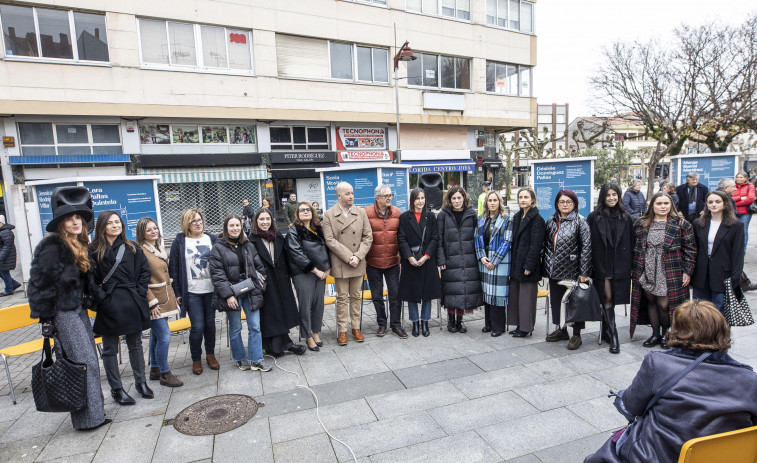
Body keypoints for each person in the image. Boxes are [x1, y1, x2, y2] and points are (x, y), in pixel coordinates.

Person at [584, 300, 757, 463]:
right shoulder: (749, 379)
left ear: (677, 331)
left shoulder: (658, 364)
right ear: (722, 331)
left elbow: (631, 407)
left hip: (660, 456)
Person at [28, 186, 109, 430]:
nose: (75, 222)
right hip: (62, 313)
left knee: (87, 361)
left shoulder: (76, 244)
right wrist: (46, 319)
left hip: (77, 310)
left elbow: (85, 283)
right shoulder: (52, 246)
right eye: (69, 219)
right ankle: (88, 419)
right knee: (84, 363)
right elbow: (39, 285)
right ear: (61, 222)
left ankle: (93, 415)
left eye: (79, 218)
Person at [90, 210, 152, 405]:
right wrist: (102, 298)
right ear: (102, 226)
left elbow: (144, 271)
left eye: (118, 222)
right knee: (109, 349)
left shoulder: (132, 247)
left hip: (131, 300)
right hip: (108, 304)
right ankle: (116, 389)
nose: (115, 225)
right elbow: (89, 280)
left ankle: (141, 382)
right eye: (110, 223)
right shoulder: (93, 250)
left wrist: (140, 292)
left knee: (135, 344)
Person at [630, 192, 696, 349]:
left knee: (665, 304)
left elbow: (691, 250)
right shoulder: (642, 223)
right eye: (659, 204)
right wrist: (634, 270)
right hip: (647, 269)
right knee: (651, 302)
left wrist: (687, 271)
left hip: (669, 270)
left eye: (666, 203)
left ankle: (667, 334)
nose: (662, 207)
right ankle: (655, 334)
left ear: (671, 205)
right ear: (652, 205)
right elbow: (636, 247)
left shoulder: (681, 224)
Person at [209, 214, 270, 372]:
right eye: (232, 226)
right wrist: (228, 295)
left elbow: (259, 267)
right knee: (235, 328)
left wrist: (261, 284)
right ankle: (239, 358)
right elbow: (217, 275)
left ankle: (256, 359)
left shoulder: (248, 245)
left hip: (250, 292)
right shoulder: (218, 248)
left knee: (255, 327)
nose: (235, 228)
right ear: (226, 228)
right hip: (232, 294)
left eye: (237, 225)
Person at [248, 208, 306, 357]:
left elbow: (287, 258)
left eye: (268, 219)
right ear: (256, 221)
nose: (265, 222)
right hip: (264, 282)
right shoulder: (251, 240)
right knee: (270, 313)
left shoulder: (278, 236)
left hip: (281, 280)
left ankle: (281, 344)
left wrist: (293, 276)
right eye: (262, 219)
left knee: (282, 311)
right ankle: (281, 344)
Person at [322, 182, 373, 346]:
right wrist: (349, 256)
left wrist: (357, 256)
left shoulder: (361, 212)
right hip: (341, 262)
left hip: (357, 262)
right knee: (342, 298)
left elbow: (368, 237)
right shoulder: (329, 215)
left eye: (352, 193)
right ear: (339, 196)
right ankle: (342, 330)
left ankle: (356, 328)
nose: (351, 196)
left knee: (356, 297)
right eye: (347, 194)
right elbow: (330, 240)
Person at [169, 208, 218, 375]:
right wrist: (177, 292)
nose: (198, 223)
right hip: (191, 292)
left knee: (210, 324)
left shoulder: (211, 238)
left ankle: (210, 355)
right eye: (194, 221)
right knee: (197, 326)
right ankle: (196, 358)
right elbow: (173, 269)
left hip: (210, 290)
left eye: (200, 220)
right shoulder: (180, 241)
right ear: (186, 224)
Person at [587, 184, 635, 354]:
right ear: (602, 197)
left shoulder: (626, 217)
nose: (611, 198)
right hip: (602, 264)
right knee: (606, 298)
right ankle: (614, 336)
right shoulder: (594, 217)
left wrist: (632, 267)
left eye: (614, 194)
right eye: (608, 195)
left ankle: (607, 329)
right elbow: (589, 244)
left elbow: (632, 243)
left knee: (614, 298)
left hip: (621, 264)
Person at [136, 218, 183, 388]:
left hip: (164, 298)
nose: (153, 232)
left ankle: (155, 368)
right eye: (149, 230)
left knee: (157, 335)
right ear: (142, 233)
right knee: (164, 335)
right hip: (154, 301)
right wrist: (152, 303)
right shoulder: (140, 251)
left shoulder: (157, 247)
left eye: (155, 228)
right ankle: (165, 373)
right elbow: (139, 280)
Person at [543, 190, 592, 350]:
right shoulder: (551, 221)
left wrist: (584, 272)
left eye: (568, 202)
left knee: (575, 302)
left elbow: (586, 248)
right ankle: (562, 330)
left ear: (574, 204)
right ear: (557, 203)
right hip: (554, 269)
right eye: (562, 202)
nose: (565, 204)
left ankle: (576, 335)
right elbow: (547, 245)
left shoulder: (580, 221)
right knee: (557, 302)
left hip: (573, 270)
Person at [437, 186, 483, 333]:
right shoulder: (443, 215)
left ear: (464, 198)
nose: (457, 201)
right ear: (449, 200)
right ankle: (451, 321)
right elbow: (439, 240)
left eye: (459, 198)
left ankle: (460, 321)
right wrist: (441, 260)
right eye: (454, 198)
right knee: (451, 290)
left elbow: (477, 237)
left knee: (464, 290)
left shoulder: (471, 214)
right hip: (450, 259)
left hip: (469, 258)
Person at [286, 202, 331, 351]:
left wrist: (328, 267)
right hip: (303, 273)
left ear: (312, 212)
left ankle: (315, 332)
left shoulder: (319, 228)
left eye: (308, 209)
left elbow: (327, 248)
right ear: (297, 214)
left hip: (322, 271)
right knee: (305, 305)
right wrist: (315, 270)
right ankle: (307, 336)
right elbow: (297, 254)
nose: (305, 212)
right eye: (301, 210)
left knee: (318, 304)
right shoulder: (294, 231)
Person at [398, 188, 442, 337]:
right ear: (412, 200)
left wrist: (426, 256)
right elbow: (401, 238)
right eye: (417, 198)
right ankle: (415, 322)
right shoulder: (404, 217)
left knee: (427, 293)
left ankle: (425, 322)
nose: (420, 201)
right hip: (410, 261)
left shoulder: (430, 216)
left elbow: (435, 238)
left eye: (422, 198)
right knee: (411, 293)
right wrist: (409, 257)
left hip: (427, 260)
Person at [365, 185, 407, 338]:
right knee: (377, 296)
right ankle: (382, 323)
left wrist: (404, 258)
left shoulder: (397, 213)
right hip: (373, 262)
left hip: (393, 262)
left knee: (395, 294)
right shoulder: (366, 213)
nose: (389, 198)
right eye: (386, 195)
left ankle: (396, 325)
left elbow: (402, 238)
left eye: (391, 195)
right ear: (377, 198)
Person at [691, 191, 743, 313]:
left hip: (723, 274)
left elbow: (738, 253)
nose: (714, 204)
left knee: (719, 309)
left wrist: (735, 277)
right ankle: (702, 332)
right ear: (707, 205)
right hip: (701, 274)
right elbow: (694, 249)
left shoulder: (736, 225)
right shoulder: (698, 223)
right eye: (710, 202)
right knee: (700, 310)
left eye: (717, 201)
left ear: (725, 204)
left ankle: (720, 332)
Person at [508, 188, 546, 338]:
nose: (523, 200)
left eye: (526, 197)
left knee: (527, 299)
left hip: (528, 266)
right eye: (520, 197)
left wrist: (529, 266)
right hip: (517, 264)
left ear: (532, 199)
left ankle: (526, 328)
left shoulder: (537, 219)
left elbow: (536, 245)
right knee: (517, 297)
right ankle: (519, 325)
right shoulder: (518, 217)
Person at [475, 190, 513, 337]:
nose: (492, 203)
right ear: (486, 203)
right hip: (484, 260)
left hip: (500, 261)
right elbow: (476, 238)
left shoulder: (507, 219)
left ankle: (499, 327)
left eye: (494, 200)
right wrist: (481, 257)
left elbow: (507, 241)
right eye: (489, 201)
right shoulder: (481, 219)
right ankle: (488, 324)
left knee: (497, 295)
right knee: (487, 293)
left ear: (499, 202)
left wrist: (495, 261)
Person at [732, 171, 755, 253]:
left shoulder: (750, 186)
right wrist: (740, 198)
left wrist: (735, 203)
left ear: (746, 178)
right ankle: (734, 249)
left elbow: (750, 199)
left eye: (741, 177)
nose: (739, 179)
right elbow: (729, 198)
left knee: (743, 231)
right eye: (737, 177)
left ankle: (742, 250)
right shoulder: (733, 185)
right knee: (733, 230)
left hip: (745, 213)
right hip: (733, 212)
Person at [0, 214, 21, 296]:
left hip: (6, 257)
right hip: (4, 255)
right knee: (2, 272)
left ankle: (9, 289)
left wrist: (1, 256)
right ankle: (14, 284)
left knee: (4, 272)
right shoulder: (2, 231)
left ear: (1, 222)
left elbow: (7, 246)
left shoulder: (6, 232)